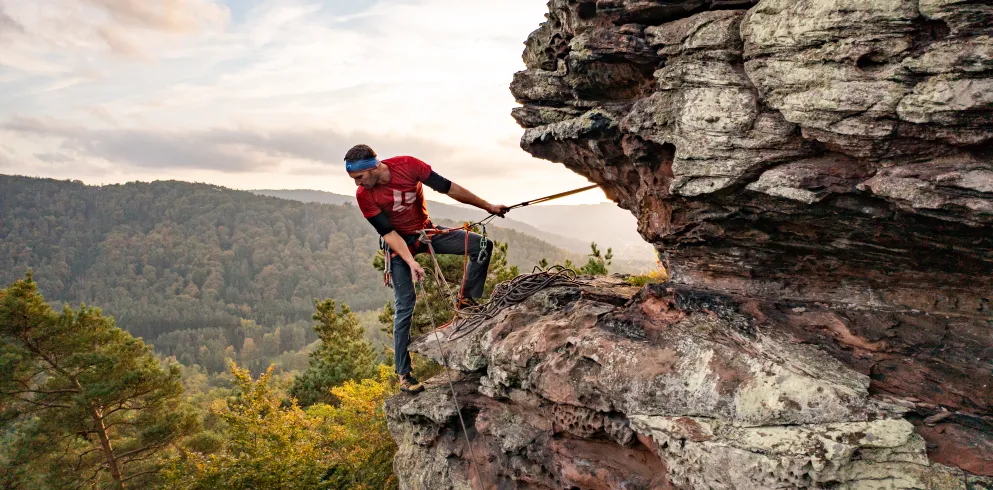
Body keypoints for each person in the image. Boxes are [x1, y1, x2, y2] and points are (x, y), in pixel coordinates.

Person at [345, 144, 509, 394]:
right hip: (399, 245)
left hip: (426, 232)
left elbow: (449, 188)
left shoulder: (408, 166)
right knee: (405, 305)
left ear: (374, 167)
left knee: (482, 245)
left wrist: (487, 206)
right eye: (354, 179)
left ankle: (466, 302)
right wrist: (411, 262)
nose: (357, 184)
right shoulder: (364, 196)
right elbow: (388, 233)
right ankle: (403, 374)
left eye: (359, 177)